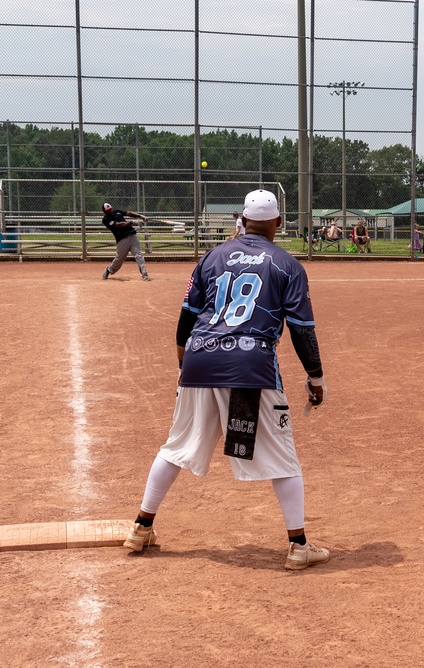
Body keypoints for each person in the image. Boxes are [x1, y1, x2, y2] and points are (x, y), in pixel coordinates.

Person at [123, 189, 331, 570]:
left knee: (176, 446)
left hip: (201, 360)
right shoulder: (287, 265)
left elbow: (188, 313)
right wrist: (315, 378)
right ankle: (299, 545)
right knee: (282, 457)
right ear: (279, 223)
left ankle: (140, 528)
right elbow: (302, 329)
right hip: (250, 367)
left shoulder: (212, 256)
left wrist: (184, 359)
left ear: (240, 217)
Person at [101, 202, 150, 281]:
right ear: (104, 211)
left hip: (132, 235)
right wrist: (132, 222)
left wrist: (140, 216)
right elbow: (118, 225)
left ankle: (144, 274)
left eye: (110, 209)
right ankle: (109, 270)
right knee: (119, 259)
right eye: (107, 210)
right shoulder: (106, 220)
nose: (109, 211)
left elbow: (128, 213)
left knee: (138, 255)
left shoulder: (116, 212)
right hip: (122, 239)